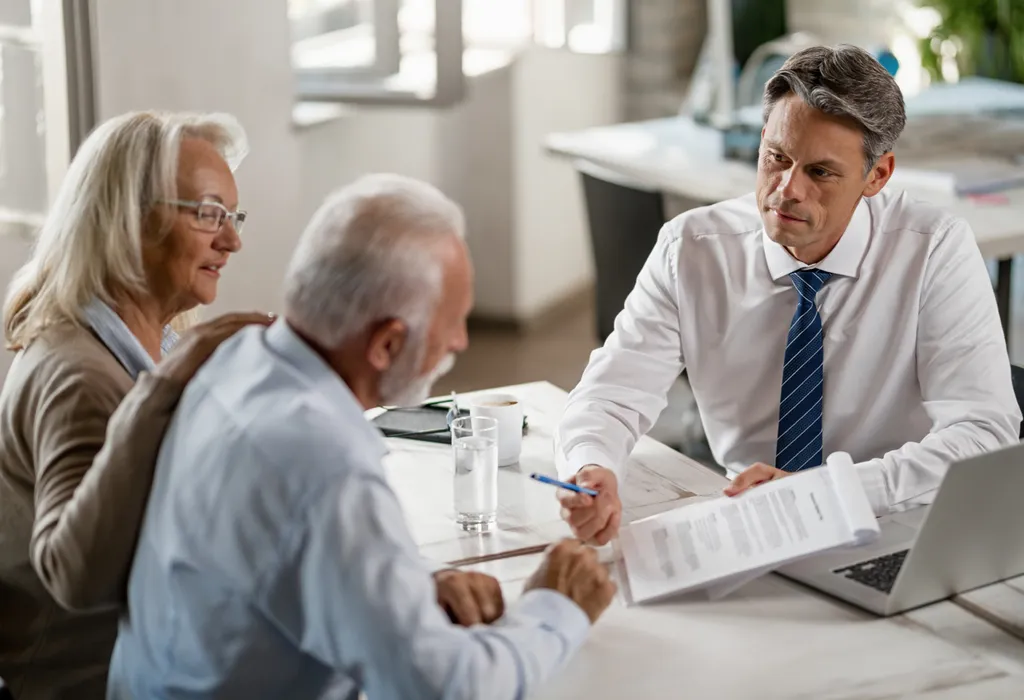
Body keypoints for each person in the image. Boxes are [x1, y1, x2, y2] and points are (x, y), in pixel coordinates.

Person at [108, 174, 617, 700]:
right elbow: (448, 688)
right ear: (386, 345)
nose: (462, 341)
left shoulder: (235, 360)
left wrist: (407, 585)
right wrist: (557, 606)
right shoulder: (324, 466)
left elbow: (284, 555)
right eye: (455, 322)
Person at [555, 44, 1022, 545]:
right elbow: (611, 393)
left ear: (877, 176)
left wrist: (830, 490)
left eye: (820, 172)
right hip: (746, 515)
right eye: (776, 157)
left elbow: (984, 432)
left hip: (892, 520)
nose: (787, 190)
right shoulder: (691, 249)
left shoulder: (933, 251)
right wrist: (590, 466)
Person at [0, 110, 271, 700]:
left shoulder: (137, 342)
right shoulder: (82, 378)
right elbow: (79, 578)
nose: (232, 239)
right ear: (129, 219)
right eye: (208, 215)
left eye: (232, 216)